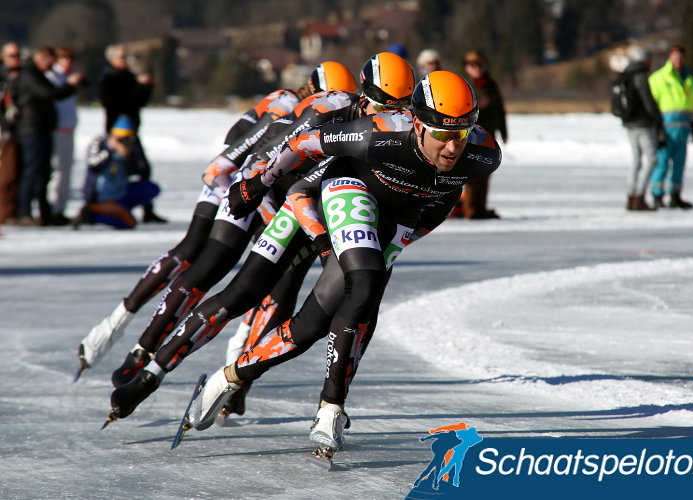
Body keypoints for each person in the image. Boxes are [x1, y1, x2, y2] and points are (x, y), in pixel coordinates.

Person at [178, 71, 501, 463]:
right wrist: (259, 183)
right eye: (442, 134)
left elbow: (443, 204)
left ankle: (228, 378)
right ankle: (331, 408)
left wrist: (403, 240)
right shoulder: (377, 133)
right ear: (416, 123)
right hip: (349, 187)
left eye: (462, 133)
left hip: (400, 218)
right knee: (364, 282)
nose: (453, 147)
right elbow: (302, 143)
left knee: (312, 326)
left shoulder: (484, 154)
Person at [103, 53, 417, 426]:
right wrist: (258, 192)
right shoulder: (326, 110)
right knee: (242, 293)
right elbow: (268, 161)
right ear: (362, 97)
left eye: (402, 108)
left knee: (319, 304)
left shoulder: (407, 129)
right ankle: (150, 374)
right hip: (284, 200)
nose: (393, 118)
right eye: (384, 106)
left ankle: (242, 387)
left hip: (336, 211)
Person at [75, 62, 352, 379]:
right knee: (201, 254)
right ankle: (130, 335)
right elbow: (227, 159)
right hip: (236, 182)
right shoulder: (289, 106)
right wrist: (253, 199)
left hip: (268, 191)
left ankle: (237, 364)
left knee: (275, 278)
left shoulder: (324, 114)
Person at [13, 46, 83, 226]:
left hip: (41, 127)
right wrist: (71, 85)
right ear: (41, 58)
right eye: (49, 61)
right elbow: (50, 94)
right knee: (32, 170)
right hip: (31, 128)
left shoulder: (36, 74)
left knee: (44, 172)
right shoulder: (30, 75)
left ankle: (45, 213)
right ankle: (24, 213)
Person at [99, 43, 165, 223]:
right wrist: (138, 87)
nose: (125, 59)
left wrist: (146, 87)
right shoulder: (109, 78)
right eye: (121, 56)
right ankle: (106, 206)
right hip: (117, 135)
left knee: (142, 169)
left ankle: (147, 209)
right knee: (114, 171)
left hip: (132, 132)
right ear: (111, 58)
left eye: (126, 56)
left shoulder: (129, 77)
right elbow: (119, 104)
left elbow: (138, 103)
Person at [75, 115, 160, 229]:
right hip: (101, 197)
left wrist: (129, 157)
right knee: (129, 222)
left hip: (121, 192)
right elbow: (93, 165)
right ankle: (91, 214)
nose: (124, 142)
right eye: (121, 139)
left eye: (128, 139)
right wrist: (109, 150)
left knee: (151, 188)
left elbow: (143, 172)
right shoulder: (100, 142)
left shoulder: (133, 146)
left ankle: (121, 209)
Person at [648, 45, 693, 209]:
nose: (678, 59)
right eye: (675, 56)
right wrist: (656, 127)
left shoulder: (689, 78)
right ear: (670, 58)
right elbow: (651, 105)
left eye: (681, 56)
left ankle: (675, 195)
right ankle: (657, 195)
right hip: (666, 127)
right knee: (662, 162)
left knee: (679, 163)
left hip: (683, 128)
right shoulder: (659, 78)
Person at [617, 45, 664, 211]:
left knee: (636, 159)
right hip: (643, 124)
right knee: (652, 159)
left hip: (629, 124)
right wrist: (659, 121)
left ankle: (631, 198)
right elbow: (648, 102)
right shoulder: (640, 76)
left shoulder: (625, 75)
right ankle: (640, 197)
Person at [461, 49, 506, 219]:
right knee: (472, 172)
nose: (477, 68)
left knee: (487, 170)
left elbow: (500, 110)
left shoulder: (491, 85)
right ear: (466, 67)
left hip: (489, 135)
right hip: (470, 135)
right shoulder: (464, 84)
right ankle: (470, 208)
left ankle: (481, 208)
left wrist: (504, 131)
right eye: (473, 65)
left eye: (480, 64)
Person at [45, 47, 79, 225]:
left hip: (68, 129)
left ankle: (60, 209)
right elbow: (53, 97)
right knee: (56, 170)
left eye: (71, 57)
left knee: (66, 171)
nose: (68, 61)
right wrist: (70, 85)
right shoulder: (52, 77)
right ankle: (52, 209)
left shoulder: (70, 76)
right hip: (55, 129)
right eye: (64, 57)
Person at [0, 42, 21, 225]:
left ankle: (12, 211)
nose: (17, 59)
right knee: (6, 173)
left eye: (19, 55)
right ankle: (5, 213)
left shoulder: (18, 75)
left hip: (17, 129)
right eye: (12, 56)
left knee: (15, 172)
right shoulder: (3, 77)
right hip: (4, 131)